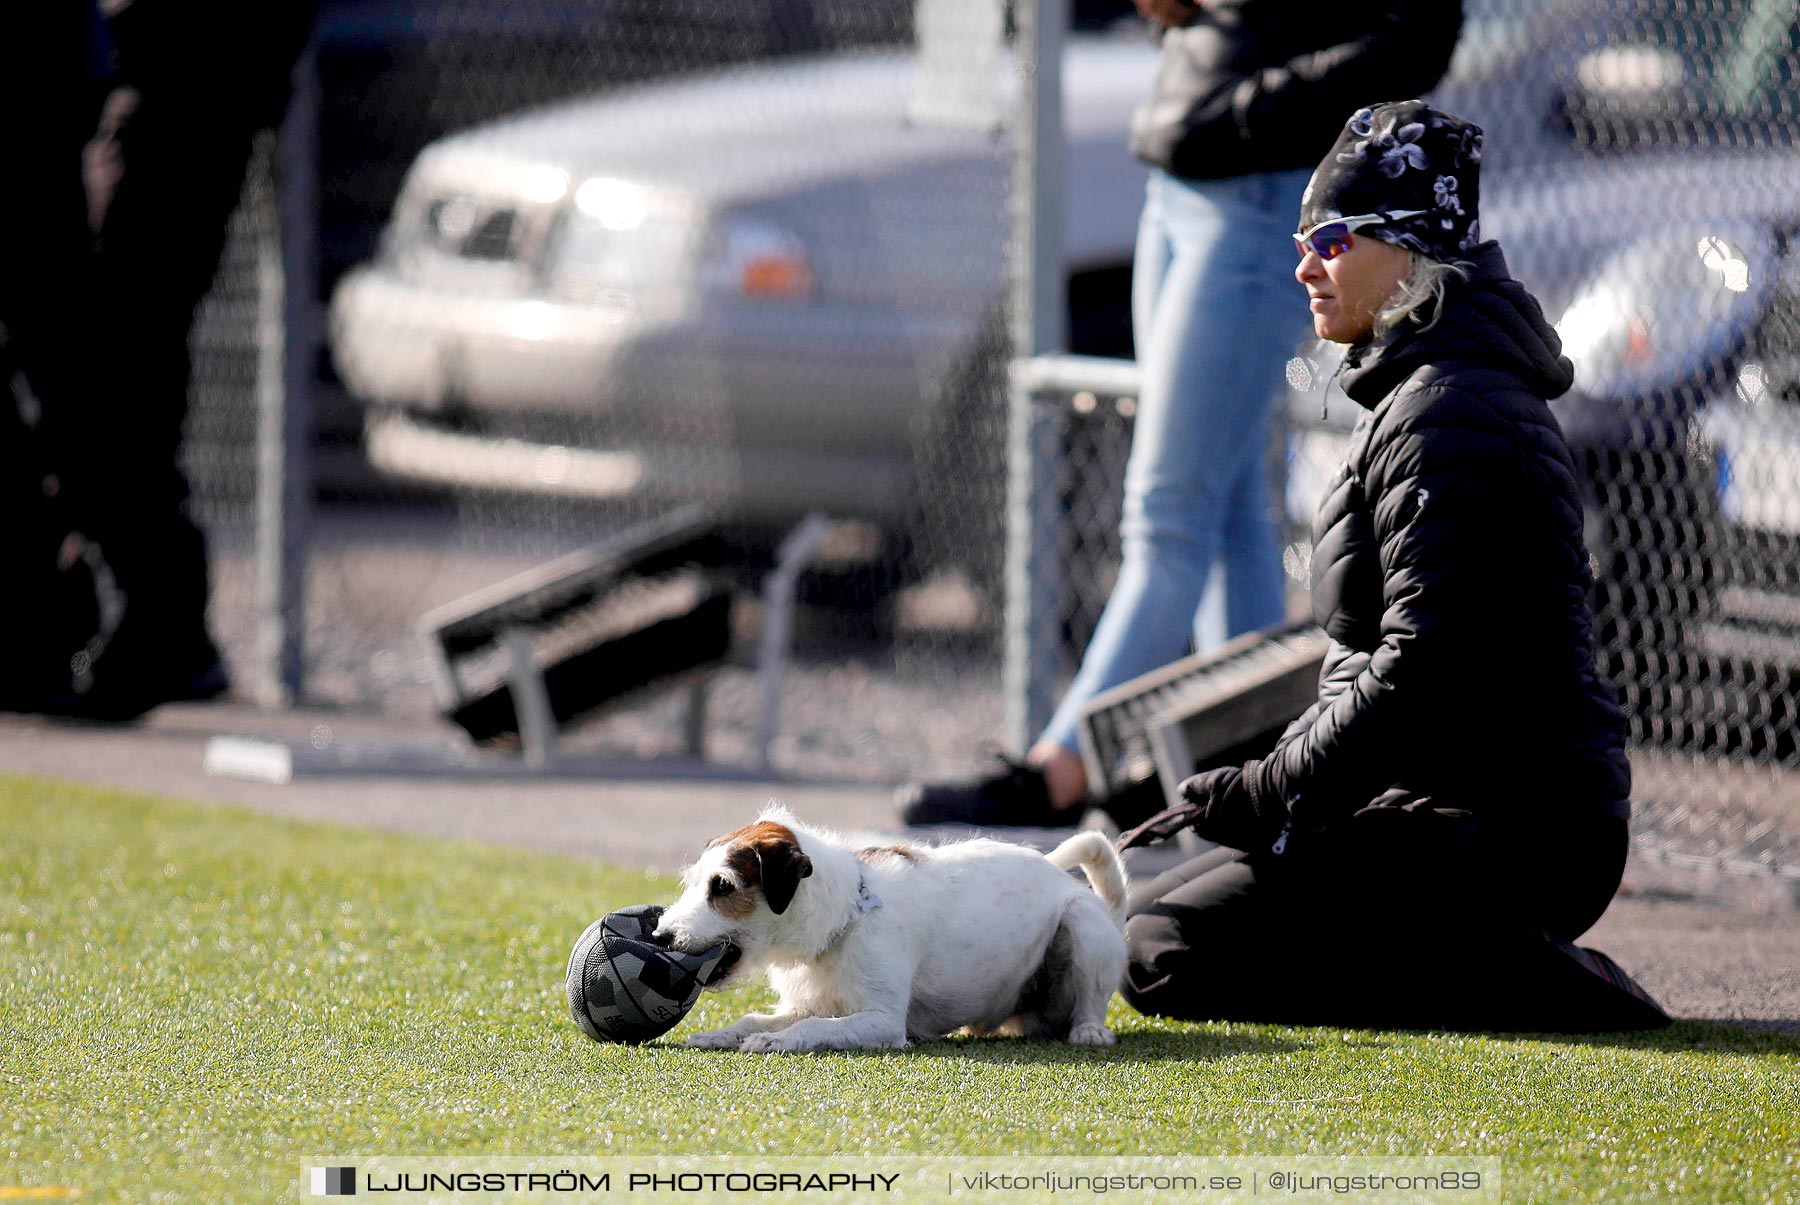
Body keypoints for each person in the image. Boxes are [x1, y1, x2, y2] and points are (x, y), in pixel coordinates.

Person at [1112, 100, 1666, 1031]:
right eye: (1302, 238)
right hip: (1444, 804)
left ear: (1409, 252)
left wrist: (1274, 784)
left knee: (1164, 951)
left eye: (1332, 238)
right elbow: (1379, 666)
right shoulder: (1423, 390)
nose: (1305, 265)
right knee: (1146, 920)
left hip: (1517, 828)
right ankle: (1470, 948)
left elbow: (1423, 669)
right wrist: (1273, 781)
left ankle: (1524, 974)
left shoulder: (1450, 408)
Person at [898, 0, 1464, 828]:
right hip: (1178, 180)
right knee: (1230, 503)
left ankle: (1061, 770)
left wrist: (1254, 103)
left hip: (1260, 194)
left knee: (1169, 516)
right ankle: (1256, 768)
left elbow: (1419, 34)